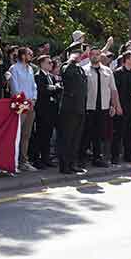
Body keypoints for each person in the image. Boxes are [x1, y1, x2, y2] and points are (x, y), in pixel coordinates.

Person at [82, 45, 120, 168]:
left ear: (100, 56)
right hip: (88, 107)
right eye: (93, 54)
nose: (95, 56)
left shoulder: (107, 71)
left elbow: (113, 89)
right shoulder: (83, 70)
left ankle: (97, 158)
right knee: (86, 134)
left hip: (103, 107)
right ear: (89, 56)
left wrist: (114, 105)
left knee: (100, 134)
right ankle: (81, 158)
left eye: (97, 54)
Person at [58, 42, 88, 174]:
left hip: (80, 107)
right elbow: (66, 74)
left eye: (81, 54)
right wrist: (71, 59)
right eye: (78, 53)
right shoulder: (67, 66)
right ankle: (64, 165)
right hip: (69, 108)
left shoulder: (80, 69)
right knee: (67, 137)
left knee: (76, 138)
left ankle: (72, 163)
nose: (80, 56)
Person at [8, 46, 38, 172]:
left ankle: (23, 161)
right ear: (23, 55)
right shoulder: (14, 68)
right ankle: (13, 161)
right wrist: (24, 101)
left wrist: (34, 99)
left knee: (26, 134)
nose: (31, 56)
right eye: (29, 54)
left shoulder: (30, 69)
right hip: (20, 103)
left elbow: (33, 85)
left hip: (30, 103)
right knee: (17, 133)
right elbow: (15, 87)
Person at [32, 55, 60, 168]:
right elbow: (42, 90)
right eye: (48, 62)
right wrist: (54, 88)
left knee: (47, 135)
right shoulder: (38, 76)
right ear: (42, 64)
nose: (51, 64)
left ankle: (46, 157)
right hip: (43, 110)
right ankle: (37, 159)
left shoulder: (51, 77)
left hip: (51, 110)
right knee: (40, 135)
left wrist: (54, 88)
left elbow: (54, 90)